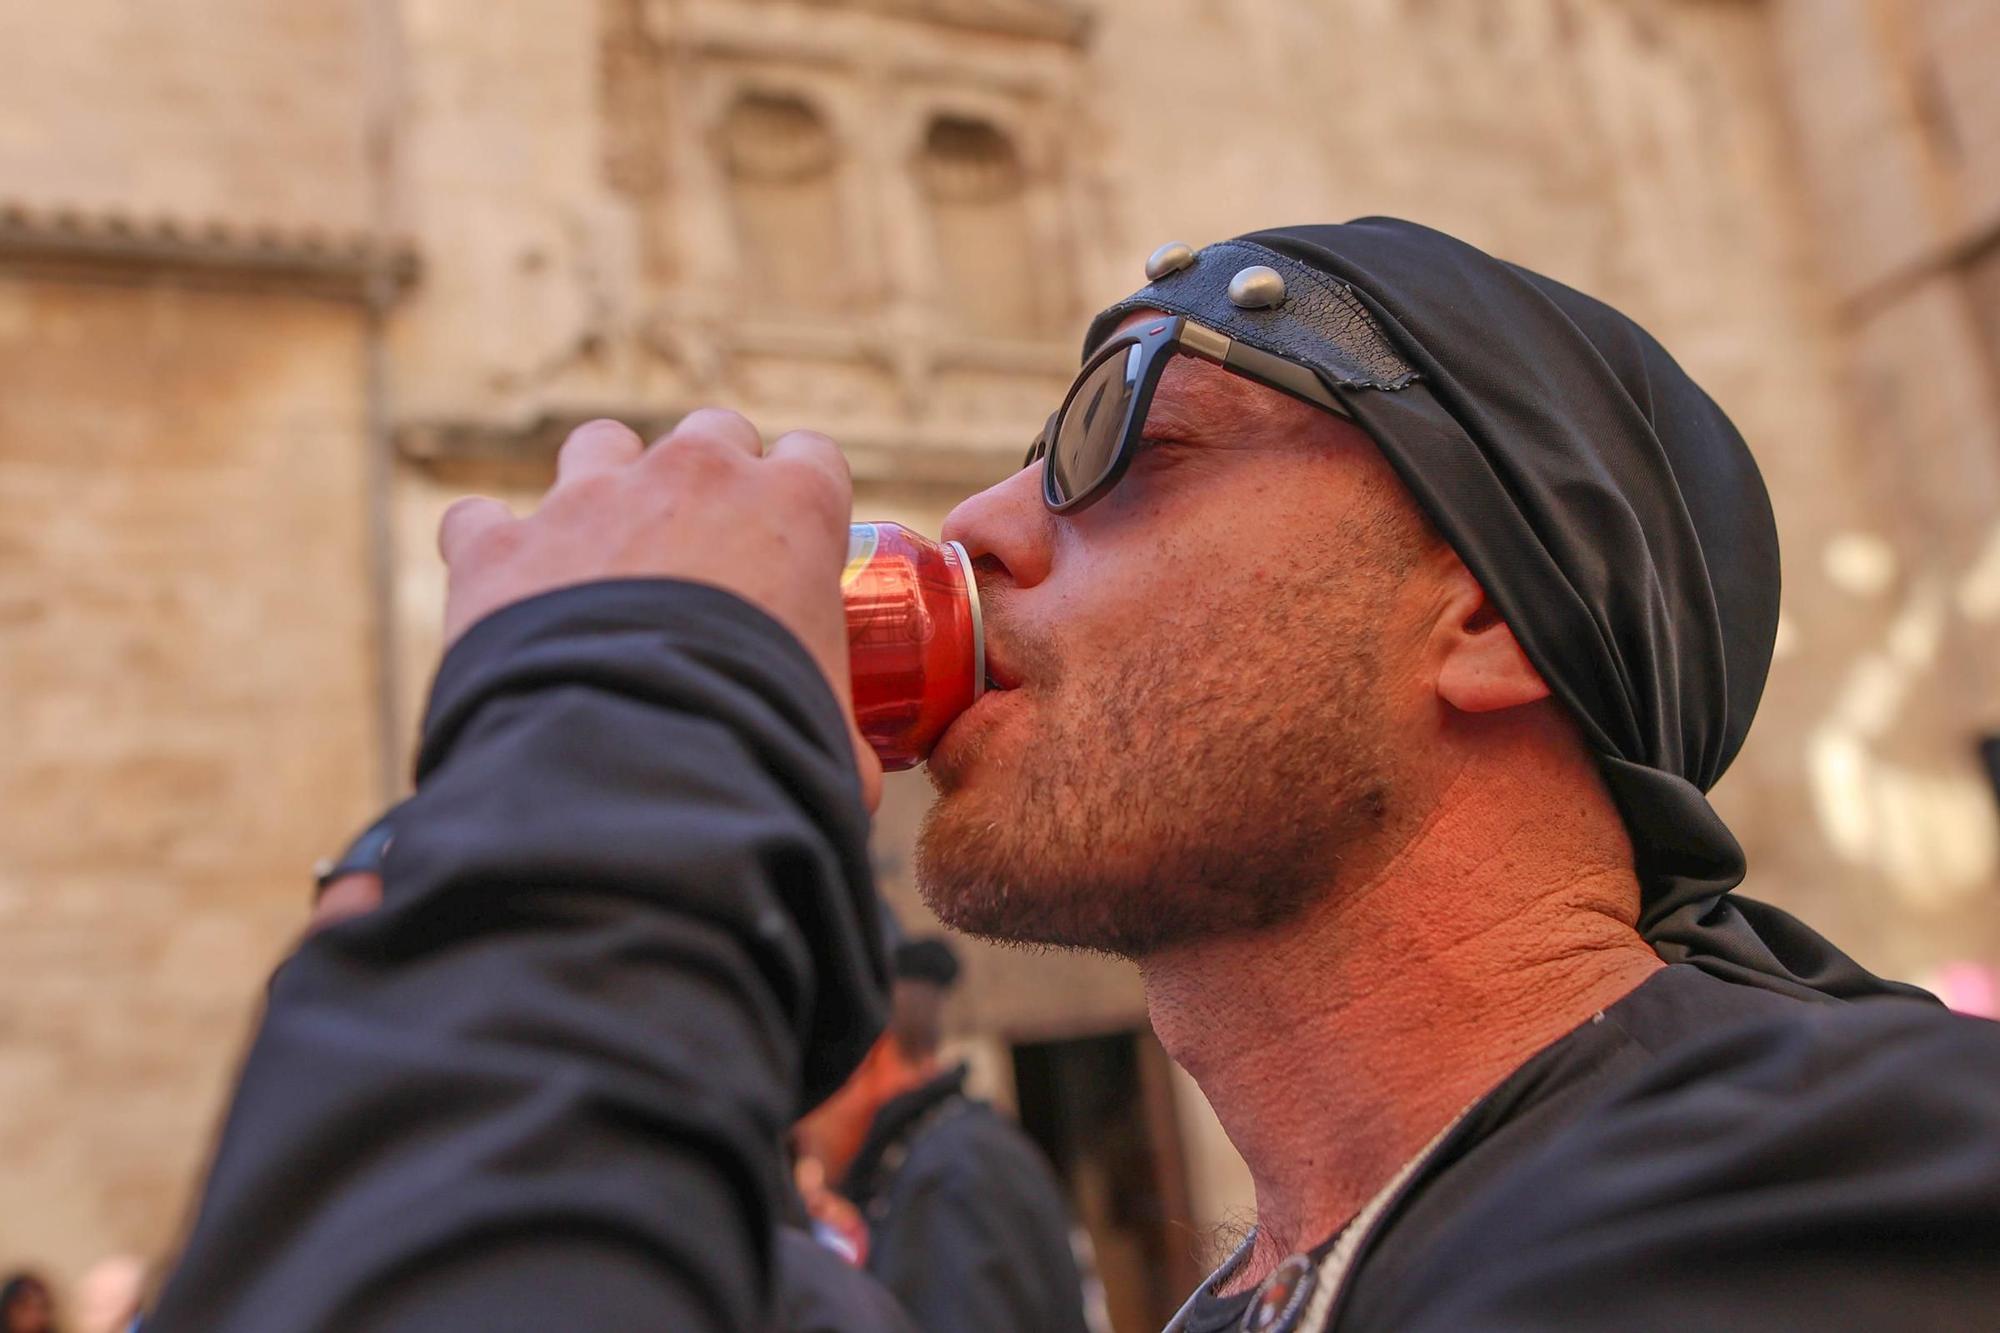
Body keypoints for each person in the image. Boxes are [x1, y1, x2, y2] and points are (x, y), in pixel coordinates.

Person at [144, 219, 2000, 1332]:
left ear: (1487, 621)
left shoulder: (1843, 1183)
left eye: (1130, 434)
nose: (976, 523)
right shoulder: (1343, 1259)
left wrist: (618, 721)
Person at [795, 937, 1089, 1333]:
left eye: (807, 1078)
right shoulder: (940, 1157)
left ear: (868, 1054)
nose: (799, 1121)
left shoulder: (949, 1177)